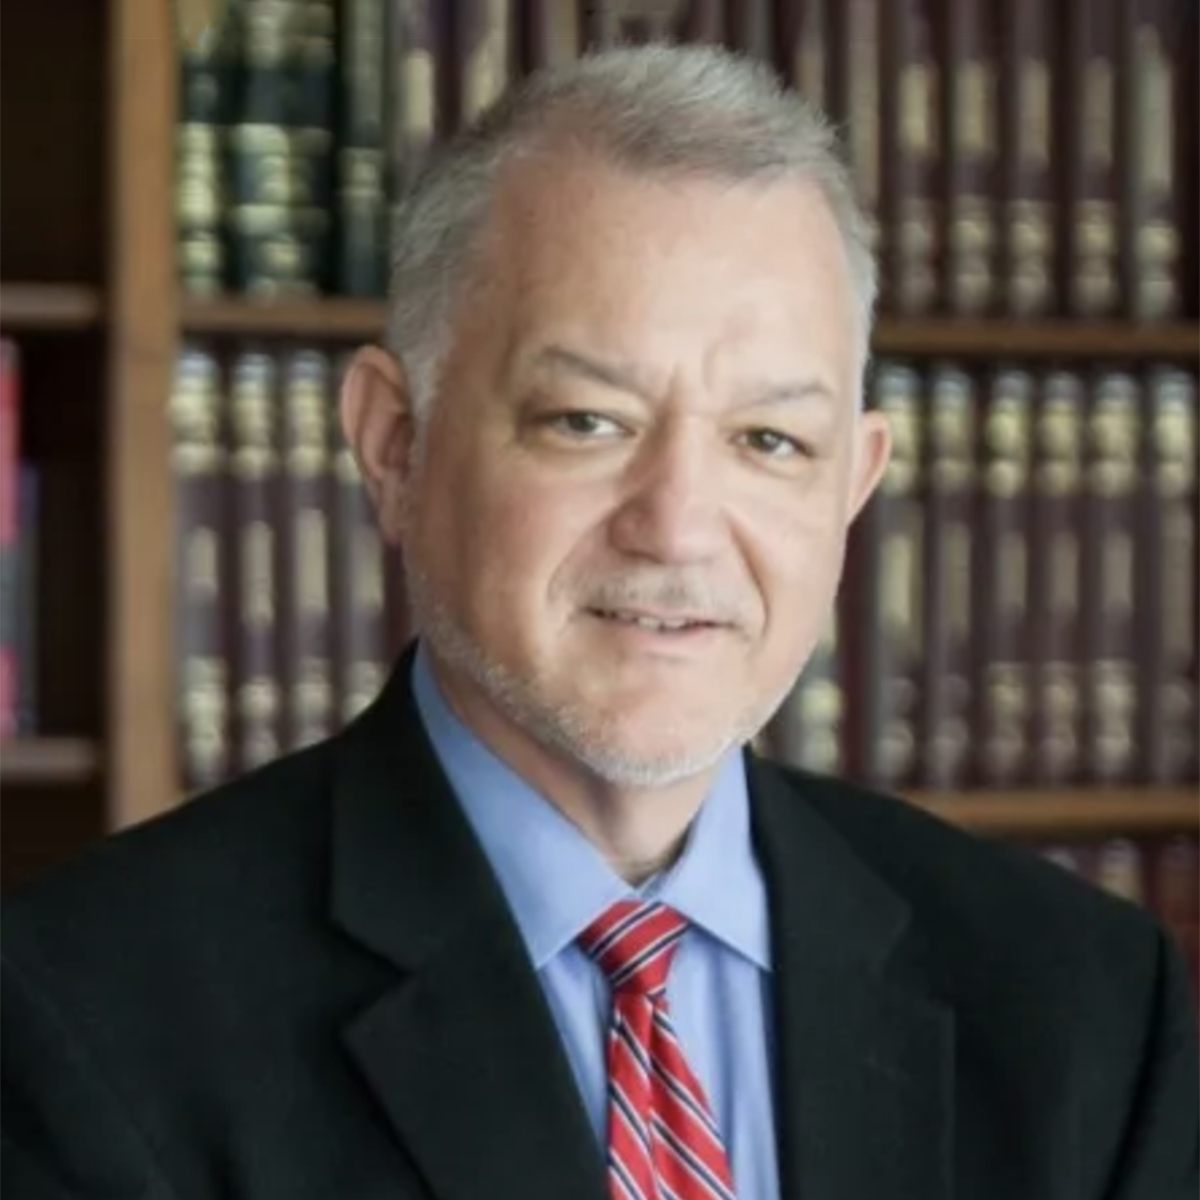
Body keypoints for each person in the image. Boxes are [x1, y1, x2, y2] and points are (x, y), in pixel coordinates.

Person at [3, 43, 1196, 1200]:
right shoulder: (84, 1014)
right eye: (587, 421)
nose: (677, 527)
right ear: (392, 442)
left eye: (769, 441)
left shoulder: (1086, 1006)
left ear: (854, 486)